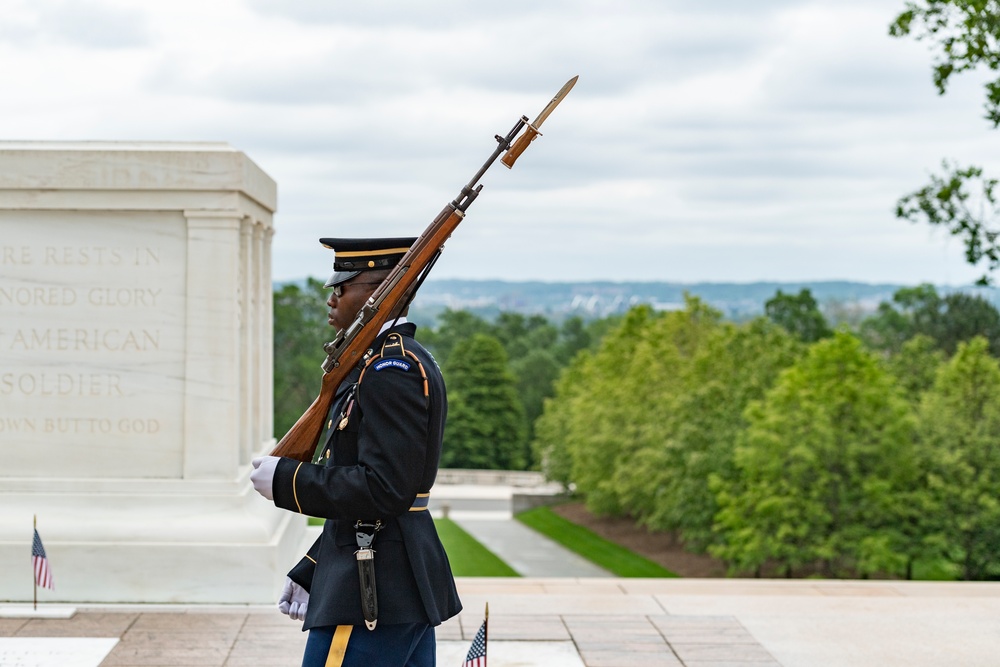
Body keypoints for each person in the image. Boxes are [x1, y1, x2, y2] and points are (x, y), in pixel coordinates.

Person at [250, 236, 462, 667]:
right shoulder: (384, 360)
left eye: (342, 286)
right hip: (388, 580)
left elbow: (384, 490)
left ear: (379, 292)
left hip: (373, 593)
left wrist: (287, 480)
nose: (332, 297)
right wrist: (314, 566)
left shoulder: (390, 369)